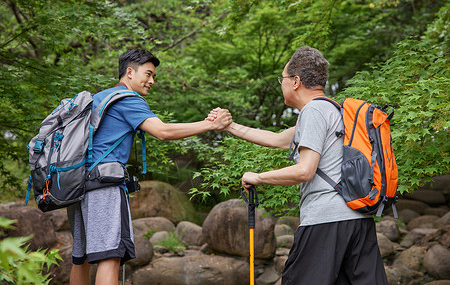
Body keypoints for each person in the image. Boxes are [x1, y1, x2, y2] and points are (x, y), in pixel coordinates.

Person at [211, 46, 387, 284]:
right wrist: (229, 126)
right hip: (358, 220)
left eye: (282, 79)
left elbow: (305, 170)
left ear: (295, 81)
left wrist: (258, 177)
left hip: (326, 221)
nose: (281, 84)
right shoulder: (332, 110)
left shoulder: (313, 111)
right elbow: (277, 139)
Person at [67, 48, 232, 285]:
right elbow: (163, 131)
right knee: (110, 256)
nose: (152, 81)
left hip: (77, 186)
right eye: (148, 74)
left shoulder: (99, 97)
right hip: (104, 186)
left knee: (80, 257)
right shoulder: (128, 99)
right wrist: (209, 125)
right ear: (130, 72)